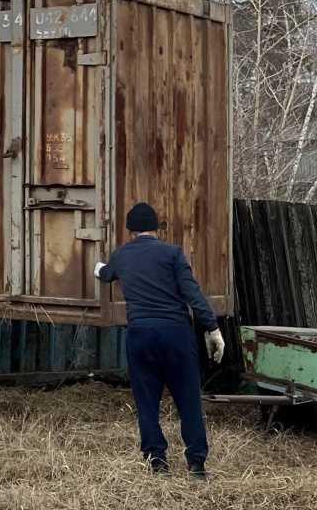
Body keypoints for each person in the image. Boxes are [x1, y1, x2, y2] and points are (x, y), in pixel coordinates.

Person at [96, 202, 224, 481]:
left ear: (131, 230)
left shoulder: (121, 256)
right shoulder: (172, 254)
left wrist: (98, 268)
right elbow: (192, 293)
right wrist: (213, 328)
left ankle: (157, 462)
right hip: (176, 334)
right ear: (156, 228)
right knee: (188, 398)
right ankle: (197, 465)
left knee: (146, 401)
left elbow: (106, 275)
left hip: (140, 335)